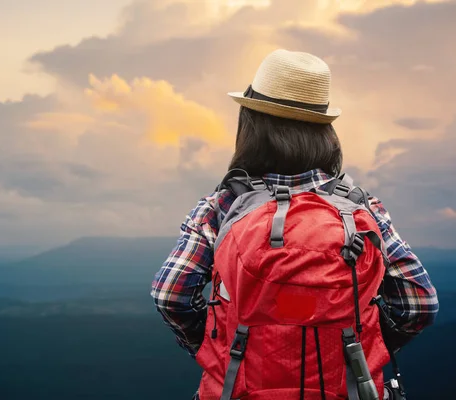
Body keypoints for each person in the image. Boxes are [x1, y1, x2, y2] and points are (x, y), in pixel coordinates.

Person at [150, 49, 438, 400]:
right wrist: (360, 348)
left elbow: (170, 295)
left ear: (251, 125)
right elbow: (419, 302)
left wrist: (216, 346)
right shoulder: (360, 207)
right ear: (324, 130)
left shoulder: (223, 206)